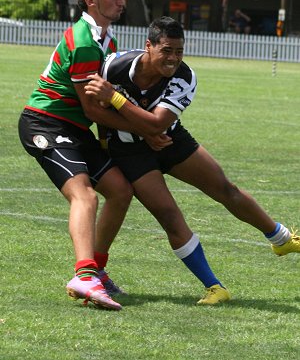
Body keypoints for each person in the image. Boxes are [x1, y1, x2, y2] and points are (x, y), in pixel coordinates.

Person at [85, 16, 300, 305]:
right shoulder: (114, 66)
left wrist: (115, 98)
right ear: (148, 46)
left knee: (226, 188)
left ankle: (281, 239)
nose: (173, 58)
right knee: (170, 217)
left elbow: (158, 124)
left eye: (179, 51)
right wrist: (124, 133)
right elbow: (97, 112)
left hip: (170, 141)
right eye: (166, 50)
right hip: (130, 153)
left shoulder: (184, 76)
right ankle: (215, 287)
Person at [18, 0, 147, 311]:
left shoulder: (109, 42)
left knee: (121, 191)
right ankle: (84, 275)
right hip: (44, 124)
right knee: (85, 195)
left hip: (75, 129)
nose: (122, 1)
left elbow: (98, 108)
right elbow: (93, 109)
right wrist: (147, 129)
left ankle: (98, 270)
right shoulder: (85, 42)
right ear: (91, 0)